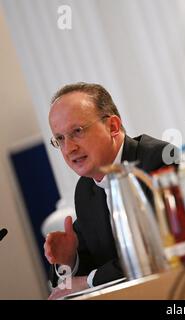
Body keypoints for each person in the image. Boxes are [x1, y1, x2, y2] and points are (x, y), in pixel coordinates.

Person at [44, 82, 175, 300]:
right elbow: (66, 284)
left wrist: (88, 281)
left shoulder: (159, 160)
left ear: (113, 126)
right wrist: (69, 260)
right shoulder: (86, 190)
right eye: (60, 139)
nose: (69, 149)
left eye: (77, 131)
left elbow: (156, 252)